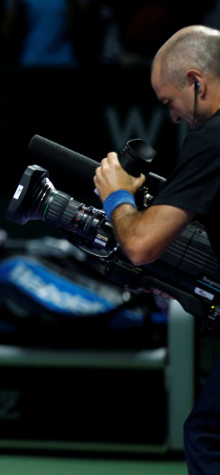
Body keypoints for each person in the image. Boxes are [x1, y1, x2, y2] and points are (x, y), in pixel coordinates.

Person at [93, 24, 220, 475]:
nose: (170, 117)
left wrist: (117, 196)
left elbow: (142, 245)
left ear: (196, 82)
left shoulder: (212, 138)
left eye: (169, 102)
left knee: (209, 437)